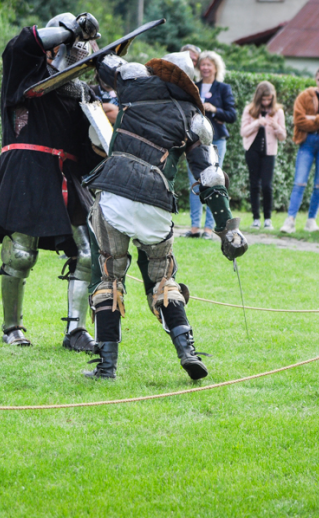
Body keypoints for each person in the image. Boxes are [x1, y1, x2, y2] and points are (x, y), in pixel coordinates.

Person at [82, 51, 248, 380]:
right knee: (162, 282)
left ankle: (106, 367)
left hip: (114, 193)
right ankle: (187, 351)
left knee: (110, 278)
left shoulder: (131, 84)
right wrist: (227, 230)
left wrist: (98, 45)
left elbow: (102, 62)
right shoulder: (194, 118)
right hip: (156, 203)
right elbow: (211, 178)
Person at [0, 13, 103, 351]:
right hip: (27, 169)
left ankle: (76, 330)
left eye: (83, 47)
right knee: (20, 253)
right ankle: (11, 327)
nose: (80, 52)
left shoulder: (84, 91)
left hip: (67, 173)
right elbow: (21, 43)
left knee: (88, 251)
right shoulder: (25, 72)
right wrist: (72, 29)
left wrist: (100, 137)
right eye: (74, 45)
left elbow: (88, 149)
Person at [281, 60, 319, 234]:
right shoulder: (304, 96)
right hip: (306, 142)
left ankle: (311, 220)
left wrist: (314, 118)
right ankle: (290, 219)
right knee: (299, 182)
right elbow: (299, 120)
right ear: (315, 80)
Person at [184, 50, 236, 239]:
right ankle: (194, 227)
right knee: (195, 182)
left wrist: (214, 110)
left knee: (213, 181)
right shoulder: (193, 87)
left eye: (209, 65)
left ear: (215, 68)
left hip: (217, 140)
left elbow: (232, 115)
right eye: (203, 64)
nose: (205, 68)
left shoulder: (223, 88)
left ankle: (209, 228)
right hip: (195, 142)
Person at [240, 81, 286, 230]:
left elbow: (283, 136)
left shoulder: (278, 112)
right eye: (264, 99)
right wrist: (257, 123)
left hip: (269, 152)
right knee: (254, 185)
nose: (266, 102)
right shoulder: (250, 110)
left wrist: (276, 126)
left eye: (269, 99)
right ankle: (255, 218)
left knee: (267, 185)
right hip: (252, 150)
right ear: (258, 98)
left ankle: (267, 219)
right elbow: (243, 132)